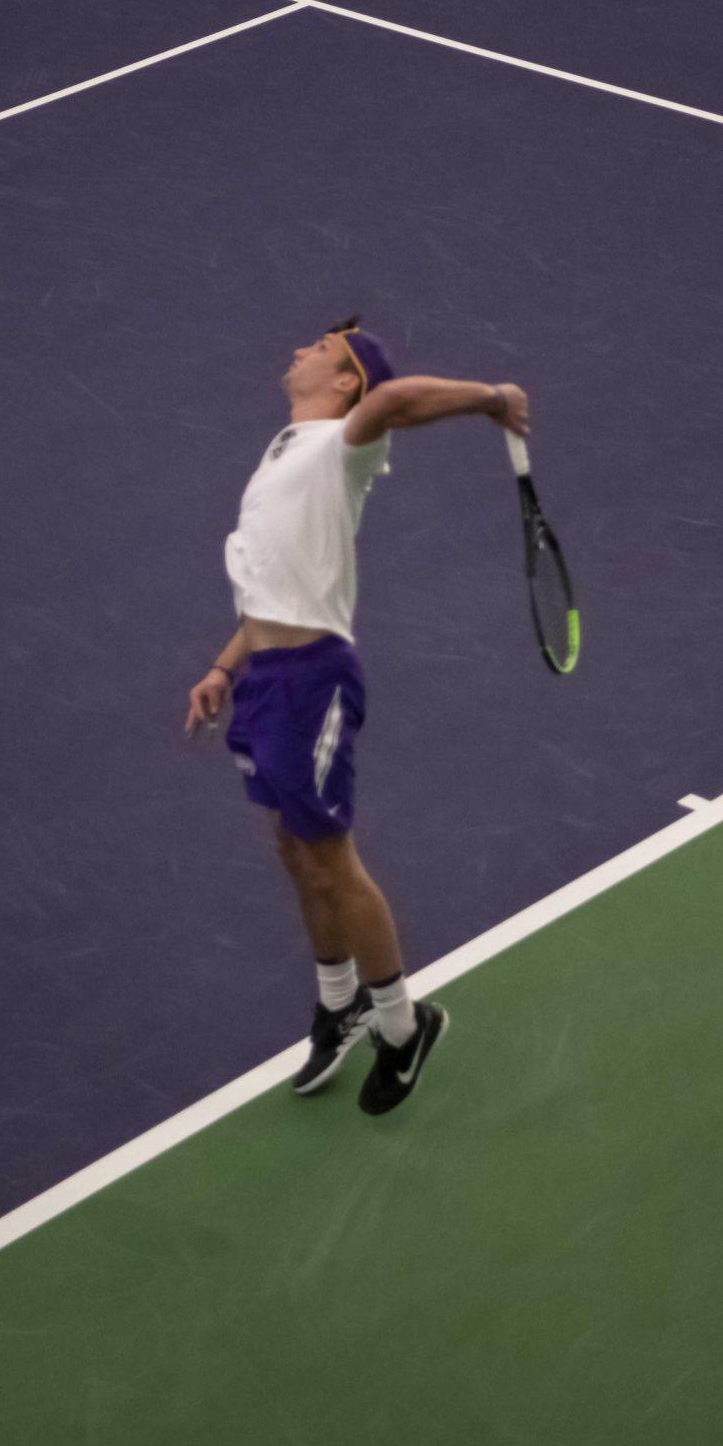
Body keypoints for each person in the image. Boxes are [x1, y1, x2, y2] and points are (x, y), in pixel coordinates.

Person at [184, 317, 530, 1115]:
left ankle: (405, 1026)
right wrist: (221, 668)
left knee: (331, 858)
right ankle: (339, 1002)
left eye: (323, 348)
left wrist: (491, 399)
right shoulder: (285, 449)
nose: (301, 346)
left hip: (312, 681)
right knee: (293, 848)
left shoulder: (347, 439)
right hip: (267, 678)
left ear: (346, 384)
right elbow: (272, 581)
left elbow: (403, 397)